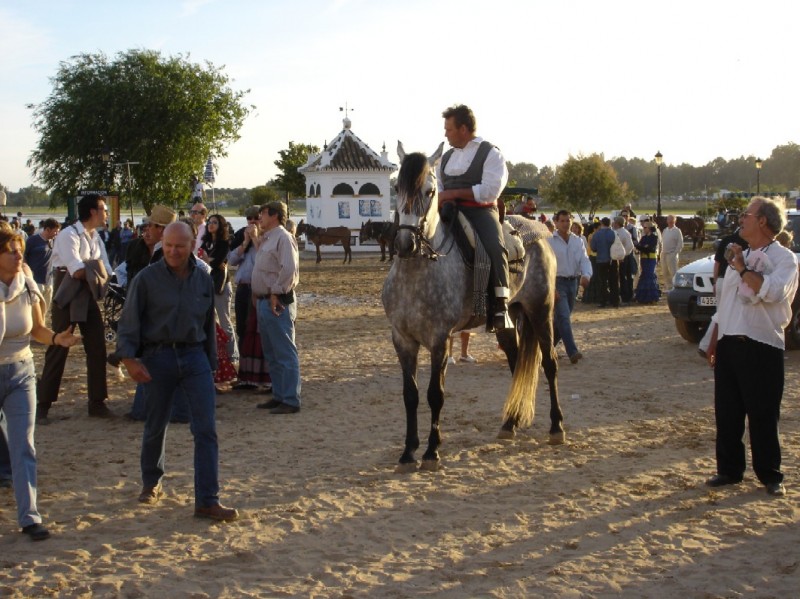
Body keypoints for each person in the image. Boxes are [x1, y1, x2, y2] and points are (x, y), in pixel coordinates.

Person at [115, 222, 238, 521]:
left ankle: (207, 500)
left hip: (195, 357)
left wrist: (211, 364)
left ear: (190, 245)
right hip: (158, 358)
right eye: (168, 245)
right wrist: (130, 360)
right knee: (155, 424)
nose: (172, 251)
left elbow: (209, 323)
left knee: (206, 429)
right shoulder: (146, 279)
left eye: (179, 246)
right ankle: (151, 482)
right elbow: (129, 321)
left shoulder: (202, 279)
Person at [705, 197, 799, 497]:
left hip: (761, 344)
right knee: (727, 412)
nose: (741, 218)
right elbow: (726, 302)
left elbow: (772, 291)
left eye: (747, 214)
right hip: (729, 342)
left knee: (762, 413)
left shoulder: (785, 259)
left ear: (762, 221)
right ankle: (730, 470)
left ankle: (770, 474)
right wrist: (714, 338)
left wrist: (744, 268)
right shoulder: (738, 256)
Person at [0, 223, 81, 540]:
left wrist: (57, 339)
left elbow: (37, 330)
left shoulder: (27, 284)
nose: (18, 253)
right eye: (9, 249)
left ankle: (30, 517)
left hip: (21, 372)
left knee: (24, 446)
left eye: (19, 247)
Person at [37, 194, 113, 421]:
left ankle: (97, 402)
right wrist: (96, 269)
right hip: (67, 295)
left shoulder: (95, 238)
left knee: (97, 347)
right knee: (59, 346)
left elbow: (107, 268)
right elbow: (76, 271)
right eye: (103, 209)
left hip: (88, 295)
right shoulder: (68, 235)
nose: (106, 213)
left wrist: (94, 269)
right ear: (93, 211)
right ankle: (43, 405)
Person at [436, 104, 511, 331]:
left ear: (463, 129)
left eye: (449, 129)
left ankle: (500, 306)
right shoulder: (445, 158)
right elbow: (439, 187)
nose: (445, 134)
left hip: (480, 211)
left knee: (494, 247)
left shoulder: (491, 154)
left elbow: (490, 191)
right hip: (448, 212)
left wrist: (454, 193)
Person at [252, 201, 301, 414]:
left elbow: (289, 270)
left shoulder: (283, 238)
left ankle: (290, 399)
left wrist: (274, 292)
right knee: (272, 352)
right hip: (264, 301)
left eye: (262, 213)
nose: (258, 218)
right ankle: (279, 394)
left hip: (277, 301)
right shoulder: (269, 238)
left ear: (273, 215)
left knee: (284, 351)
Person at [228, 206, 271, 390]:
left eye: (256, 218)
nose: (252, 221)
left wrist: (254, 239)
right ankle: (246, 376)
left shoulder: (267, 238)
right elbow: (231, 260)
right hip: (243, 288)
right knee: (243, 330)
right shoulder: (240, 236)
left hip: (259, 290)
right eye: (249, 218)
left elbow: (266, 259)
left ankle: (265, 377)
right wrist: (245, 242)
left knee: (260, 333)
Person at [549, 210, 592, 364]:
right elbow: (546, 267)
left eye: (568, 220)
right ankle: (572, 351)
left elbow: (584, 260)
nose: (566, 224)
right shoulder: (550, 241)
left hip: (573, 282)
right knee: (563, 317)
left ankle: (545, 347)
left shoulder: (578, 241)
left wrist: (586, 275)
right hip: (557, 282)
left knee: (561, 321)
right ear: (556, 222)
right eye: (562, 221)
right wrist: (552, 288)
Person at [199, 214, 238, 366]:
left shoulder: (224, 243)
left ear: (220, 226)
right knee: (210, 321)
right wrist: (208, 260)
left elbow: (216, 262)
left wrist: (208, 260)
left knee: (224, 320)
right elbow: (201, 260)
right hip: (207, 283)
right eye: (209, 222)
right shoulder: (206, 242)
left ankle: (233, 355)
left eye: (215, 222)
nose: (211, 224)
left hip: (221, 284)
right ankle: (217, 355)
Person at [22, 218, 60, 313]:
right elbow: (22, 256)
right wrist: (27, 271)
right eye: (55, 232)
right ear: (47, 229)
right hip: (35, 281)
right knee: (34, 311)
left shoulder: (53, 241)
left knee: (44, 310)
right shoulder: (32, 240)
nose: (56, 234)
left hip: (48, 280)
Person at [589, 217, 618, 308]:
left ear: (602, 224)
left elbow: (593, 247)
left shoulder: (597, 234)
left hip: (601, 259)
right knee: (613, 281)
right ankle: (614, 301)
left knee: (602, 281)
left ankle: (603, 301)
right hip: (612, 259)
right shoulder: (613, 233)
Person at [634, 222, 661, 304]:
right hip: (644, 259)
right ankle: (643, 297)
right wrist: (643, 247)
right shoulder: (644, 237)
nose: (644, 229)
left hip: (651, 259)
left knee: (650, 275)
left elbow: (651, 248)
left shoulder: (654, 237)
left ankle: (653, 297)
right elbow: (641, 246)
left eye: (645, 227)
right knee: (644, 275)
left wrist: (642, 247)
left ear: (649, 228)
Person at [661, 215, 682, 291]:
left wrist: (674, 253)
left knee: (673, 271)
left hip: (672, 254)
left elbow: (680, 244)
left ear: (674, 221)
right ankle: (668, 287)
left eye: (672, 221)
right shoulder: (665, 230)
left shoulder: (677, 231)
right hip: (664, 254)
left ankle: (676, 287)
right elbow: (662, 241)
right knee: (665, 271)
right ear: (667, 221)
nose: (670, 222)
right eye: (669, 221)